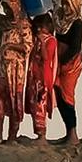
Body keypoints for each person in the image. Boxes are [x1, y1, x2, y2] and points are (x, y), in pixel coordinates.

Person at [0, 0, 32, 142]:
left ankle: (12, 136)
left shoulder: (24, 25)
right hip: (4, 69)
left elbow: (27, 47)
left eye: (9, 7)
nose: (7, 11)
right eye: (5, 8)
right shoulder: (4, 23)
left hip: (16, 70)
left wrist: (9, 46)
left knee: (14, 101)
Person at [53, 0, 82, 144]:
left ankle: (73, 135)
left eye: (68, 4)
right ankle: (68, 132)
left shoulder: (77, 23)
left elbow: (75, 48)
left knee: (67, 97)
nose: (66, 8)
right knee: (59, 95)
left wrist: (62, 61)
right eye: (64, 4)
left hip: (69, 65)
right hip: (59, 63)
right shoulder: (61, 22)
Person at [25, 14, 59, 142]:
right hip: (34, 76)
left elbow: (46, 57)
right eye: (38, 27)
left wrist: (41, 43)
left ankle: (42, 134)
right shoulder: (36, 40)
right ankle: (38, 133)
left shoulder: (51, 41)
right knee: (34, 105)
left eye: (42, 27)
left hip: (44, 78)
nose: (39, 30)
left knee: (41, 104)